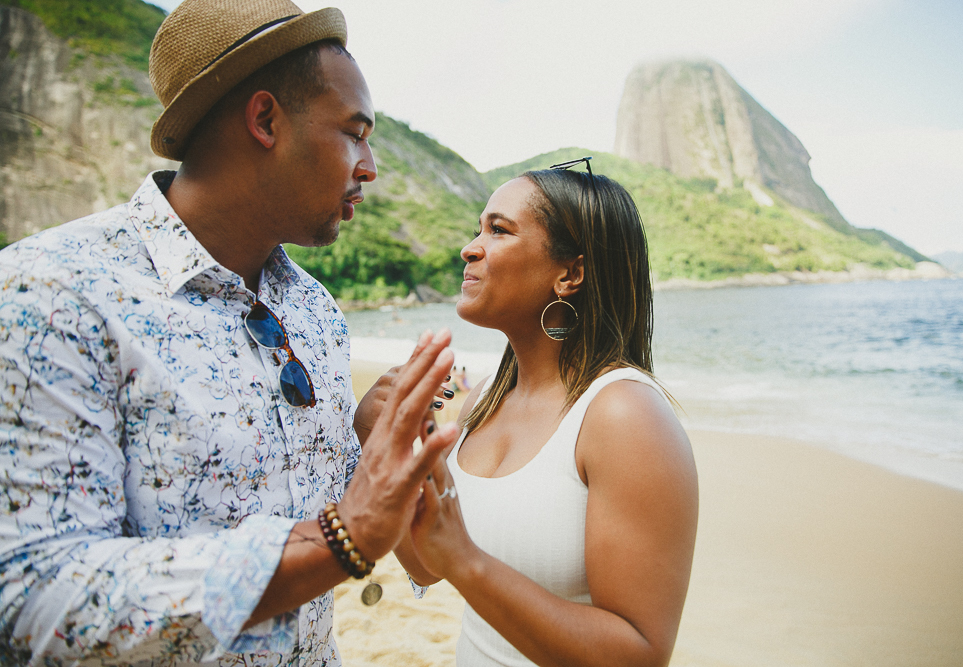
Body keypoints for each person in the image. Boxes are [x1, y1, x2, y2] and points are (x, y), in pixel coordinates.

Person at [0, 1, 458, 665]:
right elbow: (32, 594)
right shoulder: (50, 292)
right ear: (266, 119)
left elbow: (334, 513)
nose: (371, 165)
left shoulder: (317, 312)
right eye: (355, 133)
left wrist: (368, 443)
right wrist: (339, 539)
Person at [402, 162, 700, 666]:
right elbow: (427, 565)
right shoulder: (483, 403)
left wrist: (467, 562)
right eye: (479, 229)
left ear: (570, 274)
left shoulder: (622, 415)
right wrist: (378, 437)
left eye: (498, 230)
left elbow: (639, 655)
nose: (470, 247)